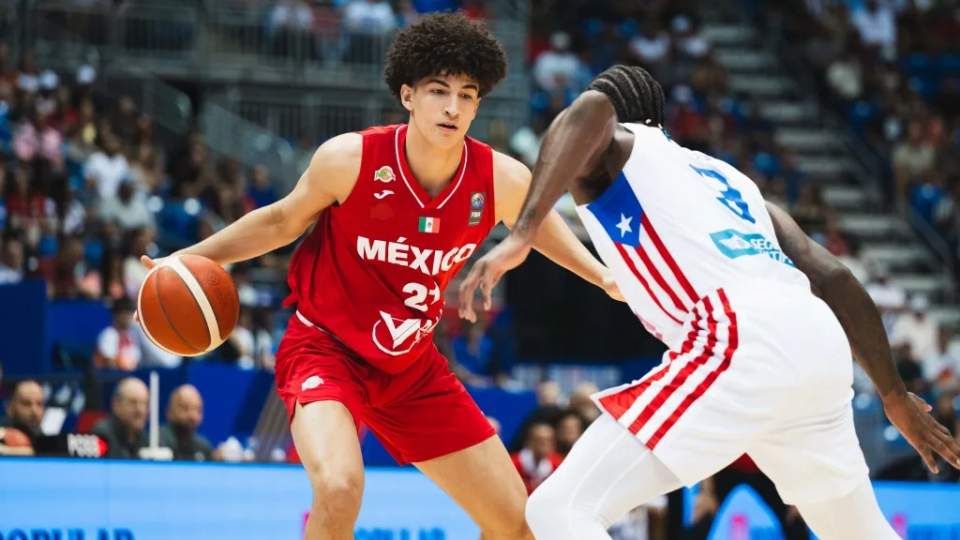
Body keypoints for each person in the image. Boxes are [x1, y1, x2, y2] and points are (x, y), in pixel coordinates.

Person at [139, 14, 617, 540]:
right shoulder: (351, 159)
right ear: (408, 95)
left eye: (467, 94)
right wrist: (185, 258)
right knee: (341, 487)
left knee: (514, 524)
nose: (453, 107)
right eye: (439, 91)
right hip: (325, 350)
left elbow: (538, 229)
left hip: (412, 367)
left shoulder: (499, 178)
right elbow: (279, 221)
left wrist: (603, 278)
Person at [459, 65, 960, 539]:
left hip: (738, 335)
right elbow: (834, 277)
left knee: (559, 508)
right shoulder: (733, 183)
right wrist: (893, 396)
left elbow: (590, 109)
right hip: (814, 338)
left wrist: (523, 231)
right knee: (858, 531)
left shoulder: (621, 148)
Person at [91, 377, 148, 459]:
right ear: (116, 404)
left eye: (145, 404)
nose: (140, 410)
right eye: (133, 403)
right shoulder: (102, 436)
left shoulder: (145, 438)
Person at [159, 384, 214, 462]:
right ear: (169, 412)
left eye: (198, 410)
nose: (192, 416)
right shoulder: (157, 442)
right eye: (185, 408)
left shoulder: (204, 447)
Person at [0, 380, 44, 444]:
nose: (34, 411)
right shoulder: (2, 432)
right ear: (11, 407)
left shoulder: (41, 436)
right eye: (26, 404)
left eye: (39, 404)